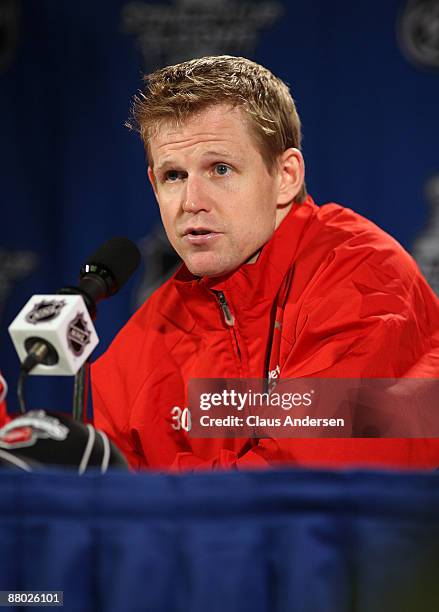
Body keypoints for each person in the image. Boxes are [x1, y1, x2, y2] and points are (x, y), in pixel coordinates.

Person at [91, 55, 439, 471]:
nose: (191, 203)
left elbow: (308, 478)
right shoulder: (143, 341)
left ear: (286, 175)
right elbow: (105, 504)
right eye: (174, 176)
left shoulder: (363, 275)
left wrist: (161, 494)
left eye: (220, 169)